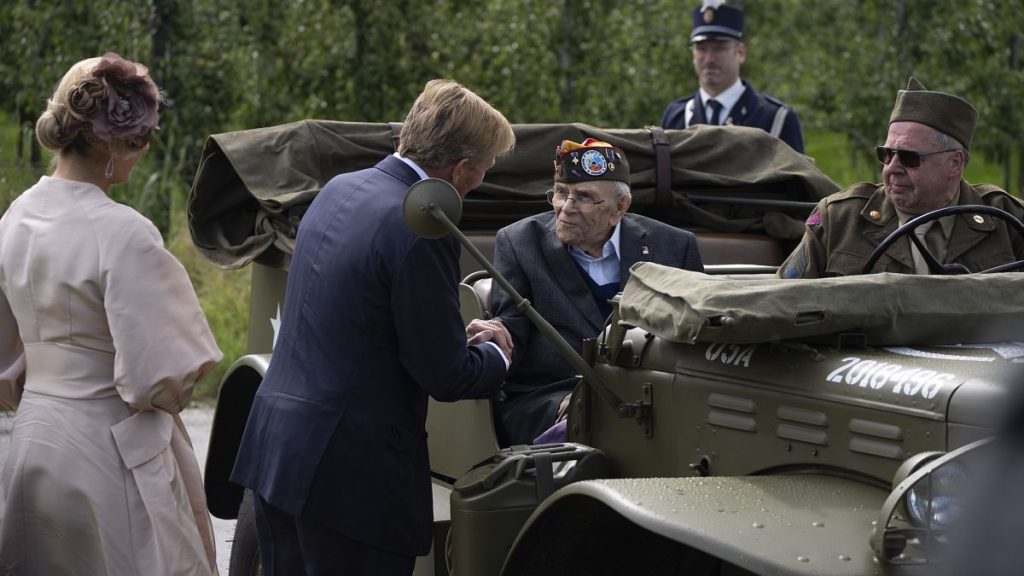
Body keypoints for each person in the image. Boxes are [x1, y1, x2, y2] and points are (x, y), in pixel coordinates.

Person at [230, 79, 515, 575]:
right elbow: (444, 375)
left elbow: (361, 317)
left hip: (281, 456)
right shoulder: (421, 227)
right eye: (486, 168)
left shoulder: (340, 188)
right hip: (351, 484)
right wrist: (498, 356)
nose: (483, 177)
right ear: (463, 168)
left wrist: (449, 336)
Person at [0, 53, 222, 574]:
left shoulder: (15, 217)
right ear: (114, 144)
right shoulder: (123, 232)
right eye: (141, 142)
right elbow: (162, 378)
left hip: (35, 443)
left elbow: (6, 350)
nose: (141, 155)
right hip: (106, 453)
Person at [474, 138, 704, 446]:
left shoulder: (673, 246)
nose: (564, 208)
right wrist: (494, 335)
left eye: (582, 197)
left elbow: (696, 337)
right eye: (559, 193)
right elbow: (513, 324)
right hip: (553, 398)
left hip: (654, 399)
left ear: (619, 207)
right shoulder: (519, 243)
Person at [777, 77, 1024, 278]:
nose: (892, 168)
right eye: (886, 154)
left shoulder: (1006, 219)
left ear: (954, 163)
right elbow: (783, 302)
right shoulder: (840, 220)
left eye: (909, 157)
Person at [660, 0, 805, 153]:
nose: (709, 59)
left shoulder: (775, 119)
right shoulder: (677, 117)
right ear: (693, 54)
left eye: (719, 48)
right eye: (701, 48)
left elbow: (796, 176)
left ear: (740, 53)